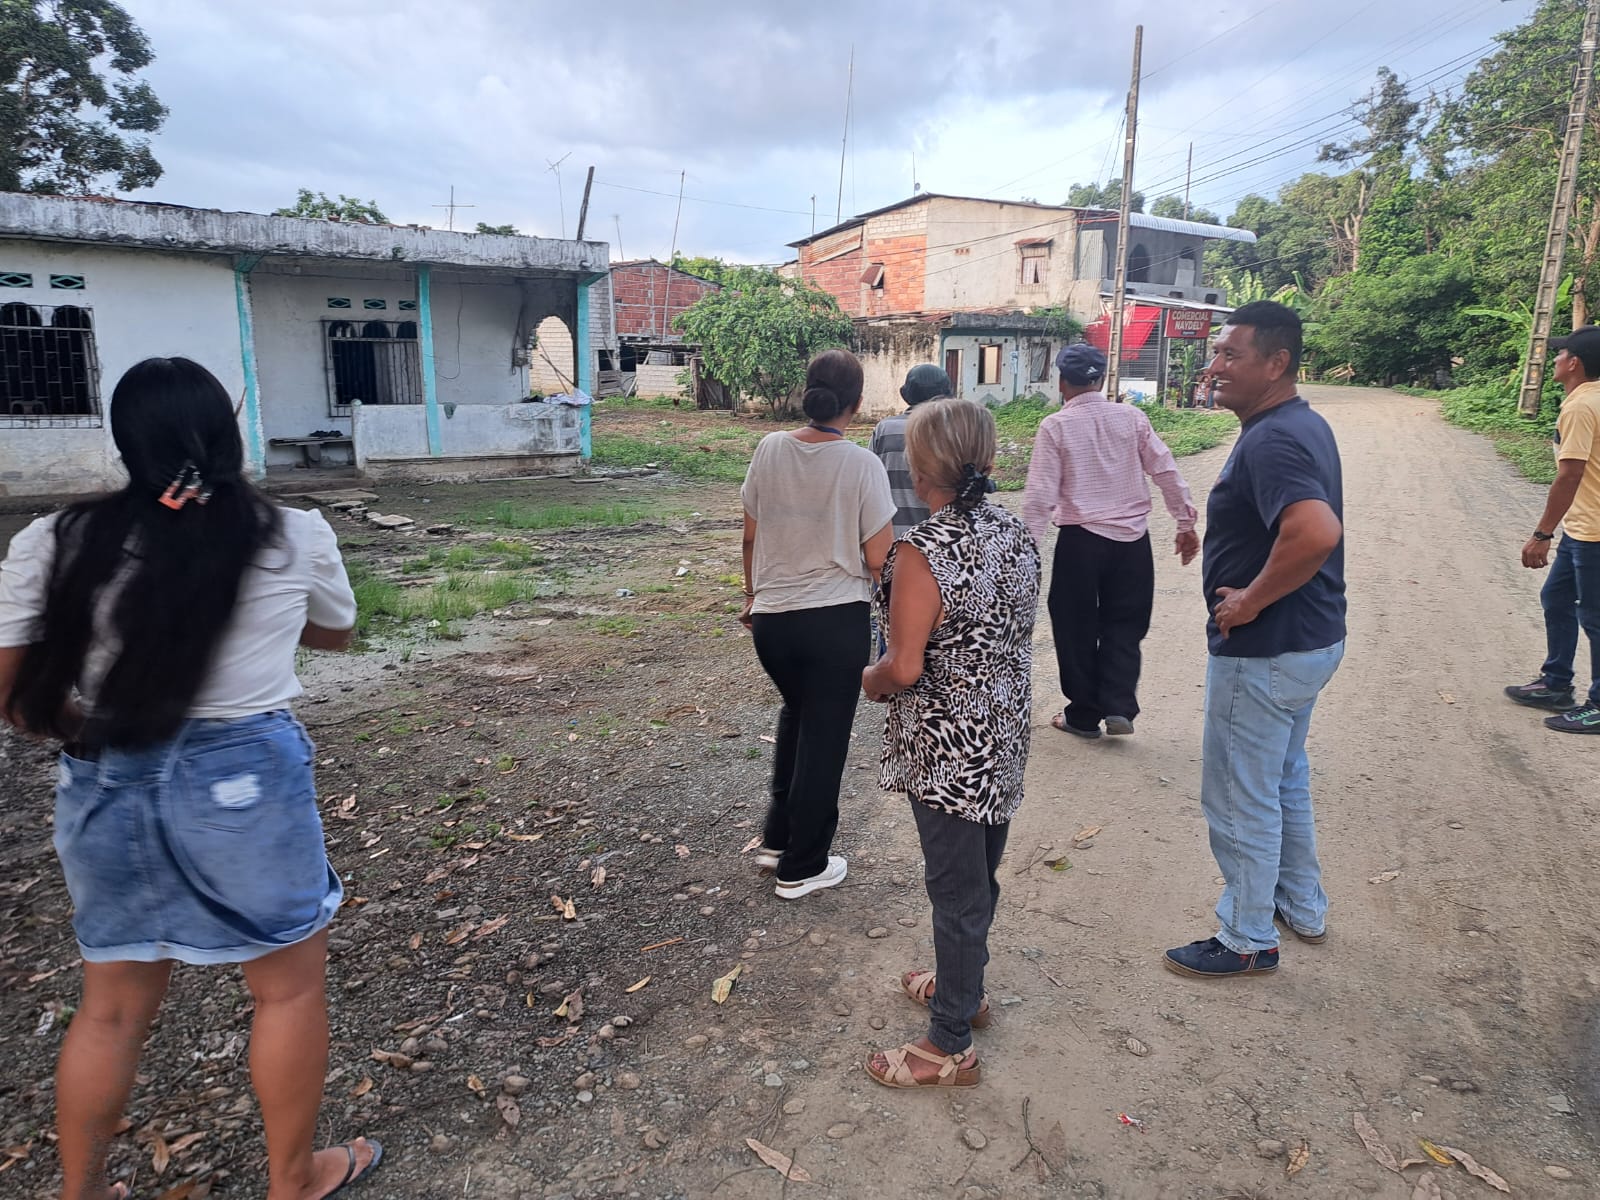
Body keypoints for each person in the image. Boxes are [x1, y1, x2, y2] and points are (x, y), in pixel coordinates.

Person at [0, 358, 379, 1200]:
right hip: (245, 778)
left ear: (126, 443)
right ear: (227, 437)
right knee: (286, 992)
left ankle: (80, 1192)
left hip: (105, 772)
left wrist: (87, 726)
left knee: (110, 1008)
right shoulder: (292, 534)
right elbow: (335, 634)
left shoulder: (53, 540)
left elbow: (14, 693)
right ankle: (292, 1180)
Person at [860, 398, 1040, 1088]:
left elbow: (903, 668)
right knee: (976, 875)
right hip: (1002, 732)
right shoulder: (1013, 531)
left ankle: (950, 1044)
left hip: (948, 748)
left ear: (919, 468)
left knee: (956, 889)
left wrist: (869, 679)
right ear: (986, 458)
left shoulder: (922, 551)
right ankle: (965, 988)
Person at [1164, 301, 1346, 979]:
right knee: (1282, 777)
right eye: (1216, 352)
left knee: (1240, 795)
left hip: (1267, 648)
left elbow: (1316, 531)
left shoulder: (1272, 440)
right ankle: (1300, 904)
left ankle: (1246, 937)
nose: (1214, 366)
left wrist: (1249, 600)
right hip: (1308, 640)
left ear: (1277, 363)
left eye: (1230, 354)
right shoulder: (1298, 423)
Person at [740, 349, 895, 898]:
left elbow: (751, 535)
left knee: (798, 716)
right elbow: (879, 558)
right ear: (856, 402)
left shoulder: (769, 448)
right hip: (833, 621)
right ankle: (803, 865)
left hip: (773, 623)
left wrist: (752, 596)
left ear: (808, 391)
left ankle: (777, 840)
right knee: (825, 738)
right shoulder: (861, 464)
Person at [1022, 343, 1199, 739]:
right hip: (1132, 542)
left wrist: (1026, 551)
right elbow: (1165, 468)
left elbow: (1040, 496)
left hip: (1080, 542)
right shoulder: (1132, 418)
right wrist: (1184, 522)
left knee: (1075, 626)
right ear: (1101, 380)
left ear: (1062, 382)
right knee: (1125, 623)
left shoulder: (1056, 426)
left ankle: (1083, 716)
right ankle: (1119, 705)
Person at [1504, 324, 1600, 733]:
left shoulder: (1581, 406)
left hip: (1594, 531)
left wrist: (1542, 534)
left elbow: (1570, 474)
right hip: (1583, 527)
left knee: (1595, 617)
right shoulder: (1592, 398)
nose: (1556, 359)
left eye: (1561, 354)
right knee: (1556, 598)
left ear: (1574, 363)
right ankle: (1556, 683)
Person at [870, 363, 954, 537]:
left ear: (906, 394)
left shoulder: (885, 429)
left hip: (892, 537)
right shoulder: (953, 430)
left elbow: (871, 481)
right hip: (940, 538)